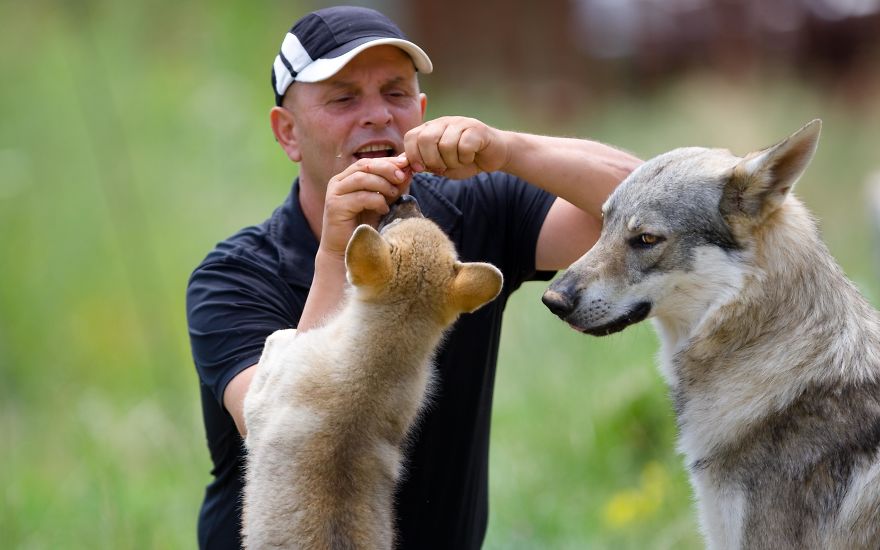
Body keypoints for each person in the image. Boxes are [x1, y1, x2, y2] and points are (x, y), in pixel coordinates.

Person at [186, 5, 641, 549]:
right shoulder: (233, 278)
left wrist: (508, 150)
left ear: (421, 112)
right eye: (343, 97)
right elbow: (276, 423)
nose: (377, 115)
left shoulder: (470, 211)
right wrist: (336, 254)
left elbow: (645, 209)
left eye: (396, 93)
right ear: (288, 134)